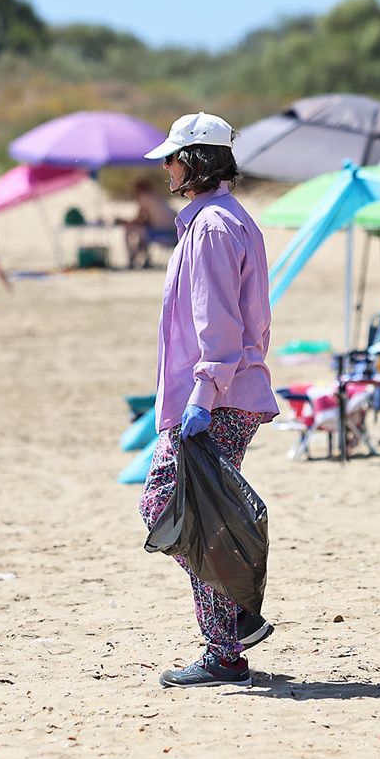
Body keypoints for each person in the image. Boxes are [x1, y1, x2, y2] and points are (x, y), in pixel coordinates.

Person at [136, 112, 280, 689]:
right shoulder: (217, 222)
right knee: (194, 516)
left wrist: (203, 391)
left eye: (173, 157)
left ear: (193, 162)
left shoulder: (214, 227)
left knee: (173, 512)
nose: (167, 168)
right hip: (220, 391)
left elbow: (217, 320)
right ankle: (234, 619)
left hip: (216, 395)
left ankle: (228, 641)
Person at [116, 178, 178, 269]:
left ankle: (132, 259)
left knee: (130, 231)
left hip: (164, 233)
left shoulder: (144, 197)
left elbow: (138, 219)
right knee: (143, 232)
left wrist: (123, 221)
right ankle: (145, 259)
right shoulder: (157, 196)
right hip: (174, 233)